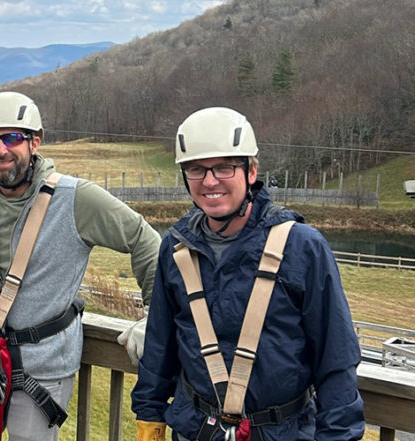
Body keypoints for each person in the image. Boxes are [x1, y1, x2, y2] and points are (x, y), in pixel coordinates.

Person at [0, 91, 161, 441]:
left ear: (35, 142)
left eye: (13, 138)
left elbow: (144, 238)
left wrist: (153, 313)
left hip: (44, 365)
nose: (1, 149)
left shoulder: (75, 199)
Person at [130, 107, 365, 441]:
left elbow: (336, 358)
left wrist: (338, 435)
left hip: (281, 431)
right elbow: (159, 347)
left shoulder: (301, 247)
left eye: (224, 167)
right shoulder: (177, 247)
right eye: (196, 170)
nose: (210, 181)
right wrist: (149, 416)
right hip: (195, 429)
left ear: (251, 170)